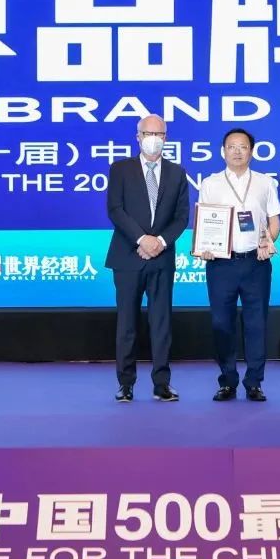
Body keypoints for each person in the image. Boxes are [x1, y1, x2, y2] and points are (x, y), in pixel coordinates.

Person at [105, 114, 190, 402]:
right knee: (127, 324)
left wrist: (160, 242)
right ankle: (126, 383)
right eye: (148, 133)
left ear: (166, 138)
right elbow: (115, 210)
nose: (154, 139)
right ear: (138, 137)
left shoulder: (177, 173)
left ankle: (161, 383)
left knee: (161, 323)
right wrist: (142, 239)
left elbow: (181, 217)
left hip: (162, 258)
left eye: (159, 134)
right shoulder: (120, 169)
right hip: (128, 256)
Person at [197, 128, 280, 402]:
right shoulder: (210, 183)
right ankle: (228, 381)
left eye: (243, 146)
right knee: (222, 323)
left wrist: (268, 241)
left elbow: (274, 220)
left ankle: (254, 382)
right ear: (223, 151)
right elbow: (204, 220)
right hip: (221, 264)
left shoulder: (265, 182)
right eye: (231, 146)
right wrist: (205, 245)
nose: (237, 151)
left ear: (251, 152)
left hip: (256, 263)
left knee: (256, 324)